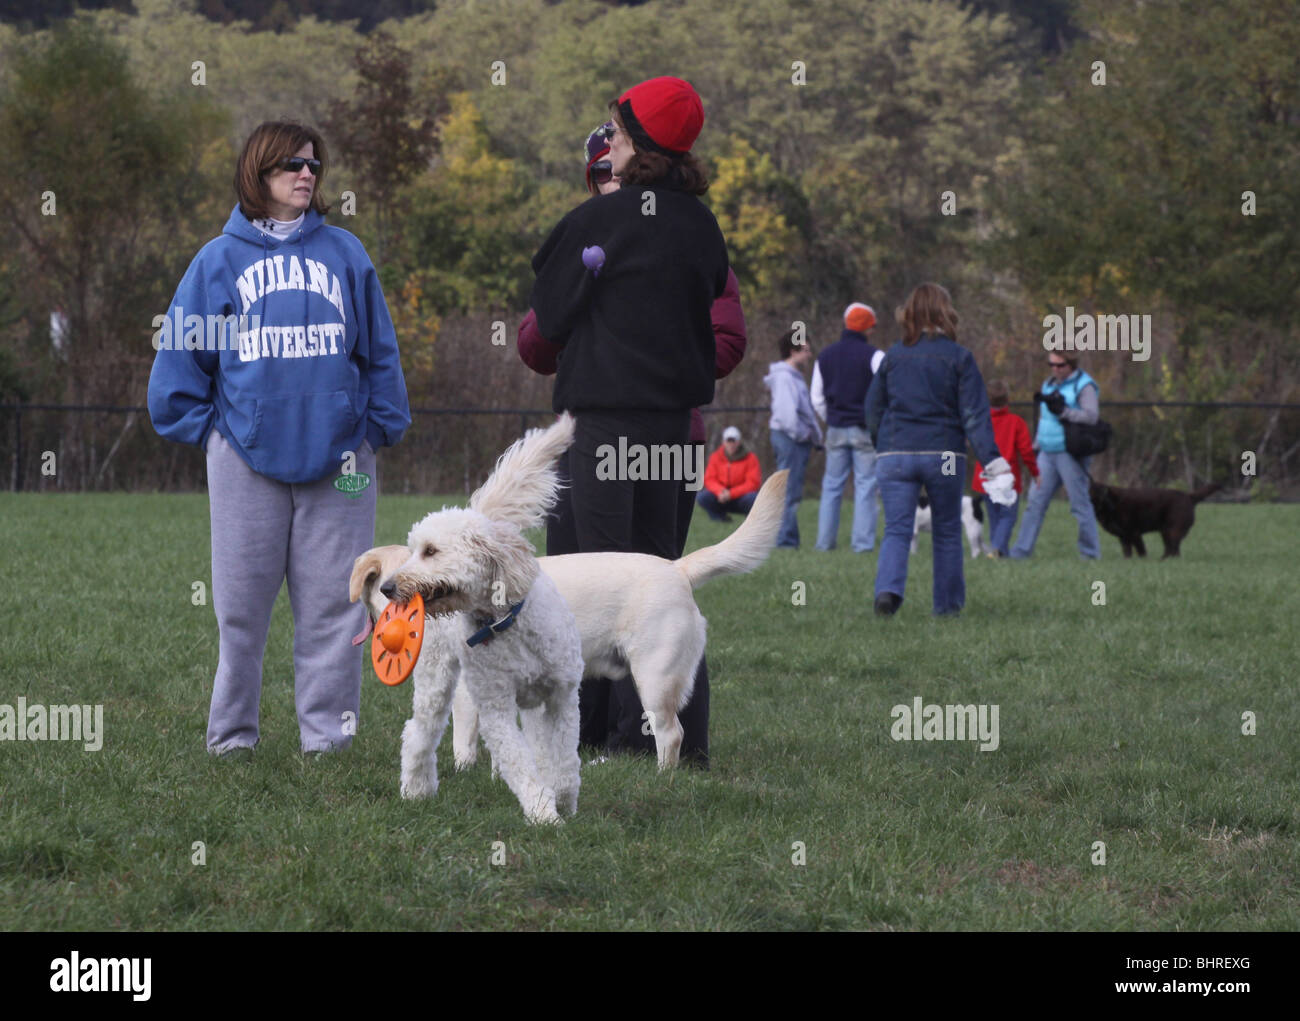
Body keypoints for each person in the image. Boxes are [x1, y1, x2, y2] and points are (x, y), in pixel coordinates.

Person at [147, 121, 411, 755]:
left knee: (337, 608)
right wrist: (216, 436)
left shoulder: (346, 254)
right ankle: (232, 740)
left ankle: (328, 745)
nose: (306, 175)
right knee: (240, 614)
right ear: (257, 172)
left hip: (342, 463)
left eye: (314, 166)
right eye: (292, 164)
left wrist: (371, 432)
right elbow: (178, 372)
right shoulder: (218, 260)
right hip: (244, 461)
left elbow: (380, 359)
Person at [528, 78, 731, 766]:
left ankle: (593, 736)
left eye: (613, 132)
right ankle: (670, 736)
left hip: (605, 426)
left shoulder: (594, 223)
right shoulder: (702, 226)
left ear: (636, 145)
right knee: (662, 579)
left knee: (593, 578)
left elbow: (546, 325)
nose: (605, 142)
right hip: (674, 430)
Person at [863, 283, 1009, 616]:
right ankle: (947, 607)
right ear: (947, 313)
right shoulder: (959, 357)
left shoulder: (893, 357)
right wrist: (992, 460)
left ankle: (887, 592)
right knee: (946, 529)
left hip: (895, 454)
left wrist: (881, 445)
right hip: (943, 456)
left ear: (908, 314)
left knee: (897, 529)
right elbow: (974, 416)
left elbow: (872, 409)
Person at [1008, 353, 1102, 559]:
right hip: (1046, 453)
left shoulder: (1085, 386)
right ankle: (1020, 552)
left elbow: (1091, 416)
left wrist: (1065, 411)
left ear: (1072, 364)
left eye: (1060, 365)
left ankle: (1090, 554)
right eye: (1052, 364)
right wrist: (1036, 445)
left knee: (1079, 505)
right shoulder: (1048, 384)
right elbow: (1044, 418)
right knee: (1034, 503)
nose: (1055, 369)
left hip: (1070, 453)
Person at [812, 302, 885, 552]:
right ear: (867, 328)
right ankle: (862, 545)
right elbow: (885, 392)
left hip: (835, 428)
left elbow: (816, 398)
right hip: (864, 430)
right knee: (865, 486)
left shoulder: (825, 355)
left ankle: (824, 544)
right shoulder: (875, 356)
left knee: (831, 486)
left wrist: (831, 418)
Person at [764, 329, 822, 548]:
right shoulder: (785, 378)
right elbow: (786, 414)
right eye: (805, 350)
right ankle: (785, 541)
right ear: (792, 351)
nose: (809, 355)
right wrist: (803, 434)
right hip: (790, 439)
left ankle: (790, 539)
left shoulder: (793, 378)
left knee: (792, 491)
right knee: (788, 492)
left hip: (793, 439)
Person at [972, 380, 1038, 557]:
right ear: (1008, 399)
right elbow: (1026, 452)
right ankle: (997, 550)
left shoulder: (980, 422)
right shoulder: (1016, 423)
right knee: (1008, 517)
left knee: (995, 519)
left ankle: (1000, 556)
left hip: (985, 477)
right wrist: (1035, 473)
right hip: (1007, 479)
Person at [697, 425, 761, 521]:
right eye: (728, 441)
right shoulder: (715, 457)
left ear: (739, 442)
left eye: (733, 441)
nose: (731, 444)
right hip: (720, 496)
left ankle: (750, 521)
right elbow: (709, 479)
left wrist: (731, 494)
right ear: (723, 442)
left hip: (741, 498)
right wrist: (720, 491)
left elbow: (753, 483)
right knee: (702, 497)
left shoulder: (751, 458)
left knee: (753, 498)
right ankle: (719, 519)